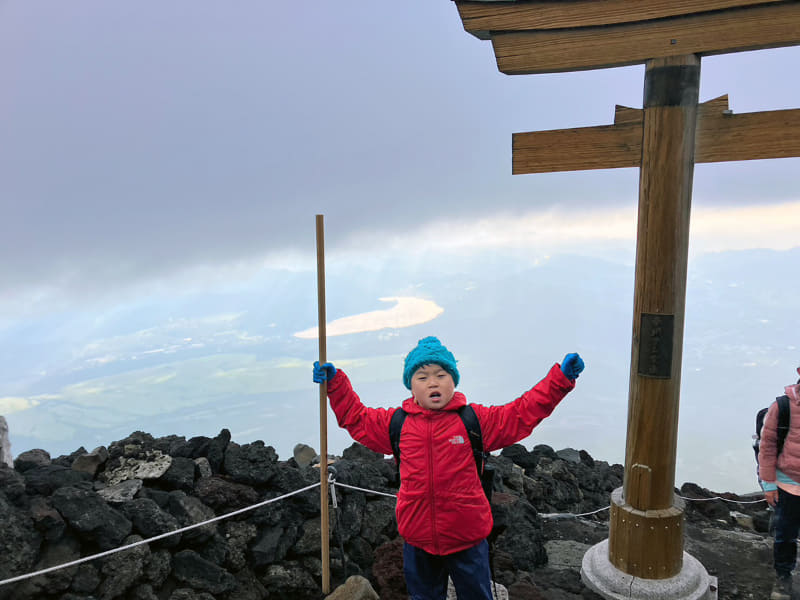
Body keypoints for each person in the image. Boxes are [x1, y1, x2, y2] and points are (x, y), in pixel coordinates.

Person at [312, 336, 584, 600]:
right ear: (411, 385)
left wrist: (560, 380)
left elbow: (521, 413)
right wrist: (335, 385)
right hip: (417, 539)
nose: (433, 382)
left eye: (441, 375)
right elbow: (357, 418)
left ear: (453, 380)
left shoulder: (473, 421)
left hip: (468, 538)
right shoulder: (397, 424)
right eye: (422, 376)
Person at [759, 366, 800, 600]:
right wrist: (769, 484)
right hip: (788, 484)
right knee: (785, 534)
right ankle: (783, 576)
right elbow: (768, 445)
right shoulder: (783, 406)